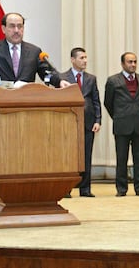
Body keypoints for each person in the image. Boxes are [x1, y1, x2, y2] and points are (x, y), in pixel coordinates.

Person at [0, 0, 66, 86]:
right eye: (12, 26)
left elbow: (47, 73)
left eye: (20, 26)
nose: (16, 30)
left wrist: (60, 81)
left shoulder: (34, 51)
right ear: (3, 29)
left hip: (25, 104)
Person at [59, 47, 101, 197]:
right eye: (82, 58)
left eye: (86, 57)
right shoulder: (62, 77)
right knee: (68, 157)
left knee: (86, 156)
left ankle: (85, 189)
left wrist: (98, 120)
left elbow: (96, 100)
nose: (85, 61)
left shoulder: (91, 78)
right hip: (68, 123)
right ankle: (67, 189)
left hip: (88, 122)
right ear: (73, 59)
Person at [104, 52, 139, 197]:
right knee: (121, 158)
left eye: (135, 61)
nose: (133, 65)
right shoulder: (113, 81)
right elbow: (108, 103)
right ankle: (121, 189)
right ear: (123, 64)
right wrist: (118, 116)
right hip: (121, 124)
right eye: (130, 62)